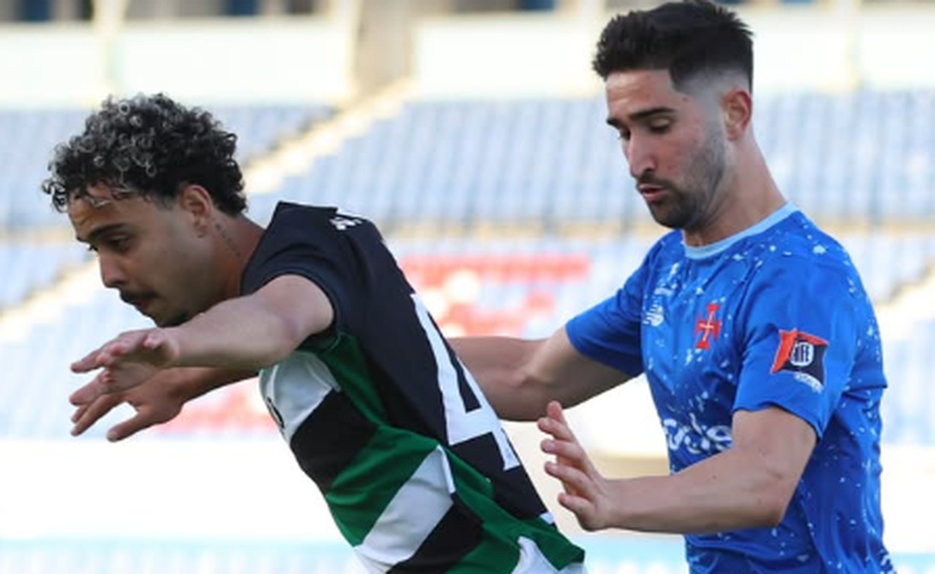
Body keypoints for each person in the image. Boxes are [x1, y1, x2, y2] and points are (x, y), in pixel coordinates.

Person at [42, 93, 586, 574]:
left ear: (195, 208)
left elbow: (279, 322)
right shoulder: (323, 248)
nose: (109, 274)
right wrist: (186, 380)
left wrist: (179, 350)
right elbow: (306, 333)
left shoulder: (302, 265)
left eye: (121, 241)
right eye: (97, 250)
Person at [449, 1, 894, 572]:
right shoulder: (670, 266)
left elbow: (763, 477)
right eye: (623, 133)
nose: (637, 160)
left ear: (735, 113)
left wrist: (615, 497)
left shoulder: (801, 277)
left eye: (658, 126)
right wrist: (371, 346)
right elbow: (533, 374)